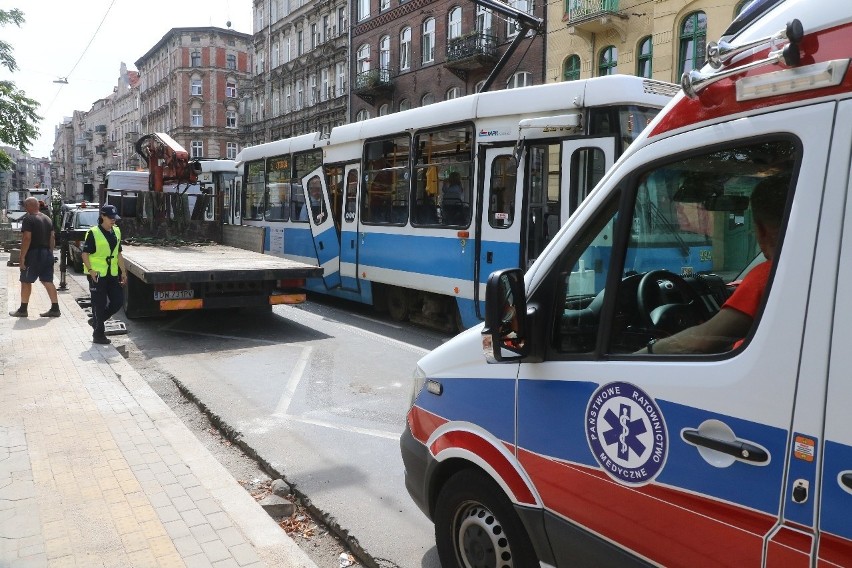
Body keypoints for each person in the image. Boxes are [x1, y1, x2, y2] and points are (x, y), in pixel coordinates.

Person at [641, 174, 789, 355]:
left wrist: (647, 351)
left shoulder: (768, 276)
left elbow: (699, 342)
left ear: (759, 229)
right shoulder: (812, 271)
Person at [81, 205, 127, 345]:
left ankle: (96, 321)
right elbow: (84, 254)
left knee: (118, 301)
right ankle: (98, 335)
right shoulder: (93, 233)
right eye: (110, 218)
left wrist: (123, 271)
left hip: (112, 274)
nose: (113, 220)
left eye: (115, 218)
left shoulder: (117, 232)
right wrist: (91, 270)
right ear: (102, 217)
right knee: (99, 305)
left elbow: (118, 253)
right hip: (97, 275)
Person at [9, 197, 61, 318]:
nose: (25, 209)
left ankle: (23, 310)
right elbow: (52, 238)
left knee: (26, 281)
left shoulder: (29, 219)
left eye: (25, 207)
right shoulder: (47, 219)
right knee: (47, 281)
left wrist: (22, 258)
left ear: (28, 206)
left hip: (33, 254)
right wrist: (49, 253)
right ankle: (55, 308)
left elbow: (27, 238)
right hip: (47, 253)